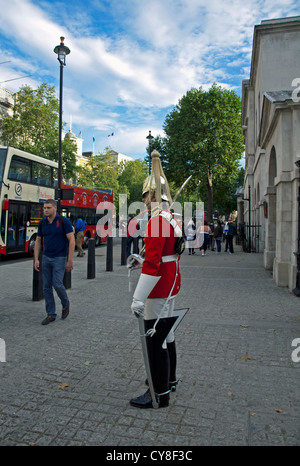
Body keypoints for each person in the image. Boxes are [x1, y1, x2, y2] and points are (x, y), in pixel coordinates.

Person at [129, 150, 182, 409]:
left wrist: (138, 298)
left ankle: (158, 393)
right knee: (167, 335)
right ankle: (169, 380)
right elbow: (168, 253)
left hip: (159, 284)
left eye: (145, 196)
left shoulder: (157, 221)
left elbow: (152, 264)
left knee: (155, 338)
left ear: (151, 195)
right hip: (171, 281)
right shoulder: (171, 218)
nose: (144, 202)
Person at [34, 199, 75, 325]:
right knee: (46, 287)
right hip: (46, 257)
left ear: (55, 208)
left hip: (60, 258)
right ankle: (51, 314)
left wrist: (70, 259)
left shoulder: (63, 221)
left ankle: (65, 302)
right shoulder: (42, 223)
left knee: (57, 283)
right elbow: (38, 241)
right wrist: (36, 259)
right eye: (45, 208)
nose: (46, 210)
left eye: (48, 207)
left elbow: (72, 240)